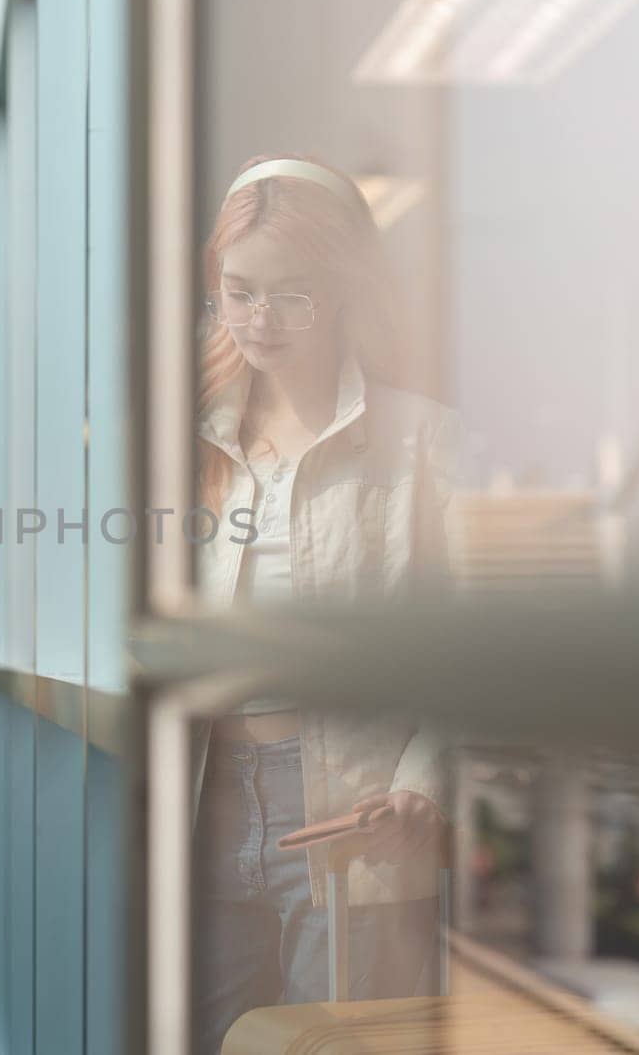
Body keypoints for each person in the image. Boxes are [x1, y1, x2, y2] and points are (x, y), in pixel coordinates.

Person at [190, 154, 459, 1053]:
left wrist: (422, 784)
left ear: (343, 290)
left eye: (293, 295)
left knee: (332, 1043)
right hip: (204, 792)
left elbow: (467, 640)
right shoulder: (187, 435)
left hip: (355, 802)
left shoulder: (419, 438)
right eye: (240, 291)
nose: (261, 320)